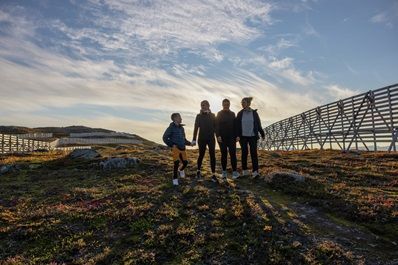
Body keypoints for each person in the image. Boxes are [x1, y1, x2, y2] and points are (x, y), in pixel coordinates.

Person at [235, 97, 265, 179]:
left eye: (243, 102)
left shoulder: (254, 113)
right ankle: (244, 171)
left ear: (248, 103)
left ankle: (255, 171)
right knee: (244, 153)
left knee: (253, 153)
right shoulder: (240, 113)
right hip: (243, 136)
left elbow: (258, 124)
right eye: (241, 102)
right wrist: (237, 135)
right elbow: (237, 126)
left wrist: (262, 134)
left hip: (252, 136)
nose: (242, 104)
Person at [163, 113, 192, 186]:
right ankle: (175, 178)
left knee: (185, 163)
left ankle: (181, 169)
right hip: (175, 148)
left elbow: (184, 139)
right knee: (176, 163)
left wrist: (190, 144)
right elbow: (165, 137)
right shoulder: (171, 128)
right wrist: (172, 144)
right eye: (180, 117)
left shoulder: (182, 128)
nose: (181, 119)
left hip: (182, 148)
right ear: (175, 118)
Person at [192, 100, 217, 182]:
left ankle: (213, 174)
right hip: (201, 139)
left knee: (212, 155)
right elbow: (196, 128)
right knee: (201, 155)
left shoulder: (213, 115)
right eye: (202, 105)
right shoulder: (198, 116)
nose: (203, 106)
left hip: (211, 139)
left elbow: (216, 127)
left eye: (204, 105)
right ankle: (198, 171)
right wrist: (194, 139)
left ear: (208, 106)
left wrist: (218, 136)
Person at [216, 99, 239, 180]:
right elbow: (217, 125)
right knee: (224, 155)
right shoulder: (219, 113)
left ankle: (235, 172)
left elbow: (236, 125)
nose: (226, 105)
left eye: (227, 104)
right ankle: (224, 172)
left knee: (233, 155)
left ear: (229, 105)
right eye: (225, 104)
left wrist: (237, 135)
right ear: (222, 105)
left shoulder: (233, 114)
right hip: (222, 138)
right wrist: (218, 135)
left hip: (232, 137)